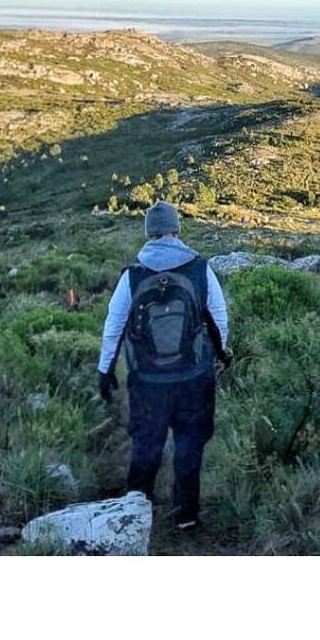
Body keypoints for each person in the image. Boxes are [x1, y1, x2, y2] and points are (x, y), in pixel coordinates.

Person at [98, 200, 232, 530]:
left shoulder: (133, 275)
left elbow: (113, 325)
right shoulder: (200, 268)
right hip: (193, 376)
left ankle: (134, 511)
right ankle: (186, 513)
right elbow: (218, 318)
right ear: (176, 229)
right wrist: (221, 354)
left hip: (147, 379)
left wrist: (105, 370)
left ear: (149, 233)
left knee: (146, 442)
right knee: (190, 441)